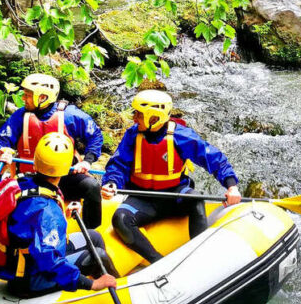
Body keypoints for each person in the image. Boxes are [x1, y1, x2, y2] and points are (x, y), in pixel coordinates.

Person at [101, 90, 241, 265]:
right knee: (120, 219)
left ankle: (201, 257)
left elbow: (213, 158)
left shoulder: (181, 136)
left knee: (195, 199)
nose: (134, 118)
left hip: (174, 196)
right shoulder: (132, 135)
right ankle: (158, 262)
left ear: (154, 117)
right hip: (142, 198)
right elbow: (118, 164)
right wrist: (111, 182)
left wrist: (231, 186)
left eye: (138, 114)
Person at [0, 132, 118, 297]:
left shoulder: (26, 181)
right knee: (98, 255)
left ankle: (100, 281)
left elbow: (29, 220)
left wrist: (66, 214)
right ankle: (114, 285)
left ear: (36, 162)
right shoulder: (46, 209)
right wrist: (92, 284)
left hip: (28, 258)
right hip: (31, 279)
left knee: (94, 236)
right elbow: (49, 261)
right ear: (65, 168)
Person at [0, 73, 105, 228]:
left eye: (28, 95)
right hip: (30, 178)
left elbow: (95, 135)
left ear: (42, 97)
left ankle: (92, 230)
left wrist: (87, 161)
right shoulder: (20, 116)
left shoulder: (70, 115)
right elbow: (2, 139)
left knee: (92, 187)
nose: (23, 99)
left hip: (64, 177)